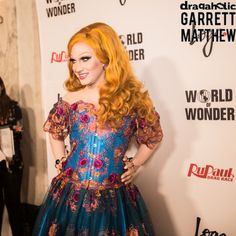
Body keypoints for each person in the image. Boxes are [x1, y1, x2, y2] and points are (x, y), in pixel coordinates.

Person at [33, 22, 163, 235]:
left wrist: (135, 163)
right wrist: (59, 160)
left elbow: (153, 136)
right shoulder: (70, 99)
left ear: (106, 57)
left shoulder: (132, 100)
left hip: (113, 201)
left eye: (85, 58)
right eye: (73, 60)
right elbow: (55, 132)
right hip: (69, 196)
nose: (77, 68)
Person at [0, 77, 24, 236]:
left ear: (1, 87)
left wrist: (11, 131)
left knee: (13, 204)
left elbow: (20, 134)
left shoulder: (13, 107)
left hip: (11, 162)